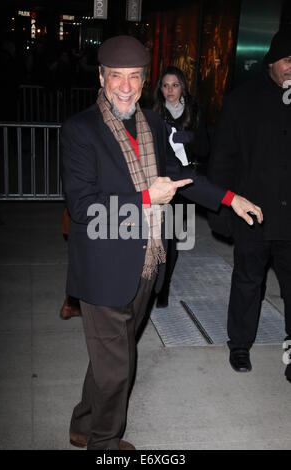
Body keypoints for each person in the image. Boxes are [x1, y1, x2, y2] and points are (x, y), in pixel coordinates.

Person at [61, 35, 263, 451]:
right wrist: (148, 198)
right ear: (101, 77)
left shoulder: (152, 123)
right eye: (116, 76)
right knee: (118, 367)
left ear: (143, 79)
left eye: (134, 76)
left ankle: (82, 422)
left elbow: (181, 175)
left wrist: (229, 197)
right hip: (103, 269)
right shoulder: (80, 130)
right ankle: (103, 442)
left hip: (146, 264)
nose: (125, 86)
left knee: (110, 358)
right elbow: (83, 207)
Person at [208, 28, 291, 380]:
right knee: (247, 283)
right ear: (272, 61)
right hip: (252, 214)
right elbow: (223, 159)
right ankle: (239, 345)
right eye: (288, 60)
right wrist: (222, 212)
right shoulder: (242, 101)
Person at [153, 65, 209, 307]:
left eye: (175, 85)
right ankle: (155, 283)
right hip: (160, 182)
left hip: (184, 184)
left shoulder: (194, 111)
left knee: (172, 239)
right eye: (165, 85)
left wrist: (190, 140)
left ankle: (163, 288)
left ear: (183, 87)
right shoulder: (153, 112)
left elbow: (206, 148)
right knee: (157, 236)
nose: (170, 91)